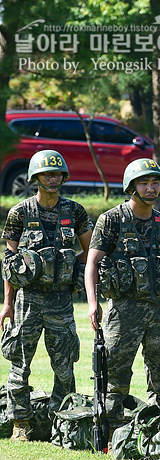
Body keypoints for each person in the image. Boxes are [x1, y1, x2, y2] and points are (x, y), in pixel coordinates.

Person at [85, 158, 160, 435]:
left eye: (155, 183)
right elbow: (92, 263)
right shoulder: (112, 220)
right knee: (115, 369)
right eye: (144, 183)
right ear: (131, 186)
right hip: (124, 309)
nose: (151, 188)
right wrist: (93, 304)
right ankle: (112, 429)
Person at [1, 150, 92, 441]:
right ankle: (21, 424)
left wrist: (68, 264)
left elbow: (91, 251)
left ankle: (60, 423)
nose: (52, 179)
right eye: (46, 174)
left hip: (61, 301)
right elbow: (10, 264)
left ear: (63, 177)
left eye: (57, 174)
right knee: (20, 364)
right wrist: (7, 304)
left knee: (64, 365)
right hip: (28, 300)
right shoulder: (20, 213)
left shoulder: (75, 211)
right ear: (35, 178)